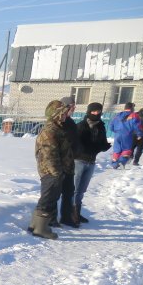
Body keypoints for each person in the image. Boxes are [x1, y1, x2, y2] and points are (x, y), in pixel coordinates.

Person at [29, 100, 73, 240]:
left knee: (48, 198)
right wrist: (56, 173)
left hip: (52, 171)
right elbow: (49, 154)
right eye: (63, 113)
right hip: (51, 171)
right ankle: (41, 229)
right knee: (49, 199)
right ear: (56, 114)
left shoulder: (56, 127)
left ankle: (35, 225)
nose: (66, 115)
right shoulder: (51, 130)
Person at [72, 102, 111, 224]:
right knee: (75, 189)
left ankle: (77, 212)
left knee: (82, 189)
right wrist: (90, 146)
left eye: (98, 111)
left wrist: (103, 146)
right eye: (93, 111)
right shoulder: (81, 126)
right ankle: (71, 214)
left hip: (91, 161)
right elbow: (76, 144)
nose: (96, 113)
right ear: (89, 112)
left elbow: (101, 142)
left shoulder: (101, 127)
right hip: (79, 160)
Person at [56, 96, 79, 228]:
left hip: (69, 163)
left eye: (74, 106)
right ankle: (51, 219)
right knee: (55, 193)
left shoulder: (71, 123)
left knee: (69, 191)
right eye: (71, 106)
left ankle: (66, 217)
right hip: (58, 164)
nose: (74, 108)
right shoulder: (58, 122)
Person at [110, 102, 141, 169]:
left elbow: (111, 126)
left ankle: (114, 164)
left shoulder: (118, 115)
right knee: (127, 149)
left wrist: (116, 131)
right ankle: (122, 161)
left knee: (117, 150)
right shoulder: (134, 115)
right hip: (127, 135)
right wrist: (139, 134)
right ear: (132, 108)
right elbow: (137, 126)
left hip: (117, 135)